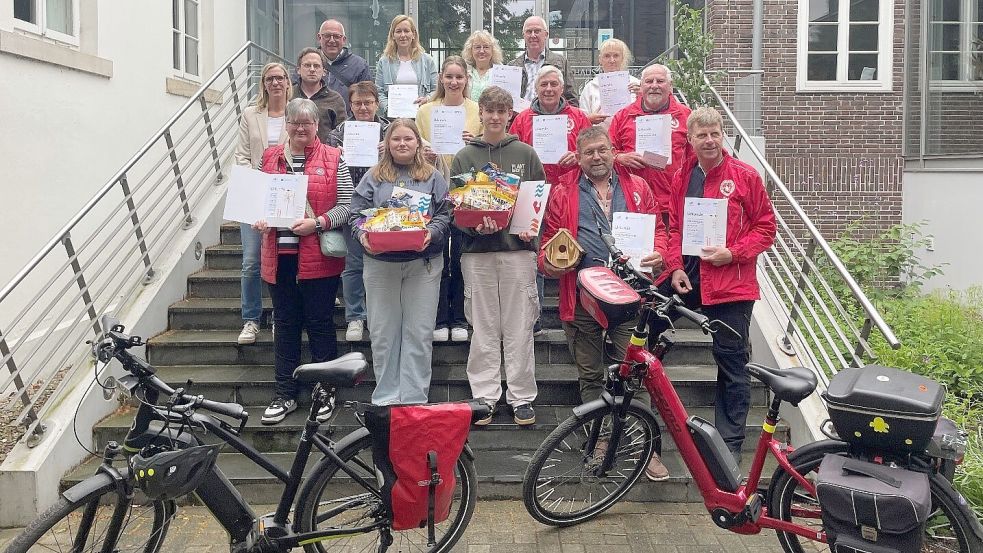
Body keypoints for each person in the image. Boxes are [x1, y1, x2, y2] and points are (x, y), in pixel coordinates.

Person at [538, 125, 669, 481]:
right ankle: (599, 440)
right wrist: (546, 262)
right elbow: (549, 240)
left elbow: (659, 229)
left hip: (630, 298)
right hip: (582, 297)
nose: (597, 157)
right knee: (592, 376)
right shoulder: (563, 192)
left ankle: (646, 448)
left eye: (602, 150)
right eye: (589, 153)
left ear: (613, 151)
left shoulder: (639, 188)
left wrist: (661, 252)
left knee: (637, 375)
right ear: (578, 158)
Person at [651, 106, 776, 463]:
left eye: (715, 133)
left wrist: (733, 253)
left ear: (723, 135)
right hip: (687, 279)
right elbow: (673, 228)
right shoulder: (681, 176)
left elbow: (766, 228)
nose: (709, 140)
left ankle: (730, 448)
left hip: (730, 286)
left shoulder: (745, 176)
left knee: (732, 363)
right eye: (701, 135)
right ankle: (648, 430)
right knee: (647, 333)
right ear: (689, 140)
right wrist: (673, 267)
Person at [253, 98, 354, 425]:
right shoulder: (270, 158)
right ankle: (285, 393)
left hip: (317, 259)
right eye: (294, 122)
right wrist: (258, 218)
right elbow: (256, 201)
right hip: (279, 258)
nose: (300, 128)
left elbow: (348, 205)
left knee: (321, 324)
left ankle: (326, 390)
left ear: (316, 127)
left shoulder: (333, 157)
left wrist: (319, 223)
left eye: (306, 123)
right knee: (284, 325)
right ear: (287, 125)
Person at [451, 86, 547, 425]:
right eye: (489, 111)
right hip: (477, 253)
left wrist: (531, 229)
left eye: (501, 111)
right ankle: (485, 396)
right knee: (484, 327)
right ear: (481, 114)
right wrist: (474, 226)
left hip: (517, 252)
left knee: (520, 326)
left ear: (510, 116)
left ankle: (521, 396)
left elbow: (538, 203)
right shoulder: (465, 156)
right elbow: (456, 209)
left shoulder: (527, 154)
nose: (494, 117)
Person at [349, 119, 452, 405]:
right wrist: (361, 235)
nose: (403, 144)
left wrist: (431, 233)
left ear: (418, 143)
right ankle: (386, 400)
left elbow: (445, 213)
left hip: (423, 265)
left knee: (418, 334)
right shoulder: (373, 177)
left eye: (408, 139)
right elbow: (355, 213)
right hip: (380, 265)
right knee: (383, 334)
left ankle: (414, 399)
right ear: (387, 144)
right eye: (397, 139)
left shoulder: (433, 176)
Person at [416, 56, 483, 342]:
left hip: (466, 188)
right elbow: (413, 149)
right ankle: (440, 317)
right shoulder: (425, 111)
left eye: (459, 76)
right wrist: (425, 155)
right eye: (449, 76)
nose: (454, 82)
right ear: (441, 79)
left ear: (467, 80)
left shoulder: (477, 110)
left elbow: (484, 150)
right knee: (436, 254)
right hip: (433, 187)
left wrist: (473, 143)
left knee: (461, 255)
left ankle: (460, 318)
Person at [233, 62, 291, 345]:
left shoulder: (295, 112)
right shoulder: (250, 114)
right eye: (270, 78)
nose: (275, 83)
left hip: (283, 192)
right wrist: (259, 177)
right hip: (254, 190)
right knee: (251, 260)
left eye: (280, 78)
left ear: (287, 82)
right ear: (264, 84)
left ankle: (281, 317)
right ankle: (251, 320)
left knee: (282, 259)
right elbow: (241, 154)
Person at [609, 64, 692, 223]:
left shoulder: (685, 116)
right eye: (649, 81)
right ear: (641, 87)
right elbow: (607, 151)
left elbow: (695, 158)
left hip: (672, 202)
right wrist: (620, 158)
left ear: (670, 86)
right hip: (633, 200)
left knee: (668, 247)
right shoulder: (622, 116)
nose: (654, 86)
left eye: (660, 81)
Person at [509, 65, 592, 187]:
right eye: (543, 84)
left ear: (562, 88)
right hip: (534, 186)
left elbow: (592, 148)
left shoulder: (578, 117)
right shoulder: (522, 119)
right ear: (536, 89)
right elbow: (512, 153)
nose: (549, 89)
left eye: (554, 84)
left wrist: (577, 156)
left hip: (572, 186)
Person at [375, 15, 438, 115]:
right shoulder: (384, 61)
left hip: (421, 116)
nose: (403, 35)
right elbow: (379, 91)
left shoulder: (427, 60)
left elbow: (436, 89)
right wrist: (389, 108)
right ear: (393, 35)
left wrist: (427, 99)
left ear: (413, 34)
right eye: (398, 31)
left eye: (406, 31)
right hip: (393, 119)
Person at [508, 16, 577, 106]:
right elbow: (505, 100)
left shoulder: (561, 63)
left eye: (537, 31)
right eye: (529, 31)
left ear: (546, 35)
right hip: (521, 118)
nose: (533, 35)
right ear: (523, 35)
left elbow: (572, 99)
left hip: (552, 118)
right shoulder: (512, 66)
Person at [579, 38, 641, 127]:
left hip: (628, 137)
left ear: (623, 58)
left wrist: (642, 97)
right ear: (600, 59)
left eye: (616, 55)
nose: (612, 60)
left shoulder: (636, 84)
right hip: (600, 137)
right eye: (607, 56)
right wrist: (590, 120)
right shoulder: (590, 87)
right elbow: (581, 120)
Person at [292, 47, 348, 144]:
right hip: (291, 155)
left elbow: (342, 133)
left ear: (324, 72)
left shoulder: (335, 99)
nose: (312, 69)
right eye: (307, 65)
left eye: (317, 66)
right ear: (298, 70)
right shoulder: (288, 95)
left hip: (324, 156)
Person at [317, 19, 372, 111]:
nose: (331, 40)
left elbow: (367, 99)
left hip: (348, 122)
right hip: (314, 123)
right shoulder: (308, 63)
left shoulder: (360, 66)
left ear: (344, 39)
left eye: (336, 36)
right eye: (327, 36)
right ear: (319, 38)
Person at [461, 30, 503, 102]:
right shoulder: (463, 72)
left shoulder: (501, 72)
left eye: (486, 47)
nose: (481, 51)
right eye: (477, 47)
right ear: (470, 50)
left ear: (493, 50)